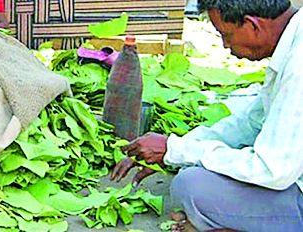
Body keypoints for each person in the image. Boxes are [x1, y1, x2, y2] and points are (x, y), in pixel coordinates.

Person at [111, 0, 303, 231]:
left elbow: (273, 170)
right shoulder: (294, 39)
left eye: (226, 34)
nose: (225, 45)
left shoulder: (298, 68)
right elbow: (251, 123)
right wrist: (177, 148)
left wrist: (177, 151)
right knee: (193, 173)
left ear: (253, 26)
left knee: (192, 186)